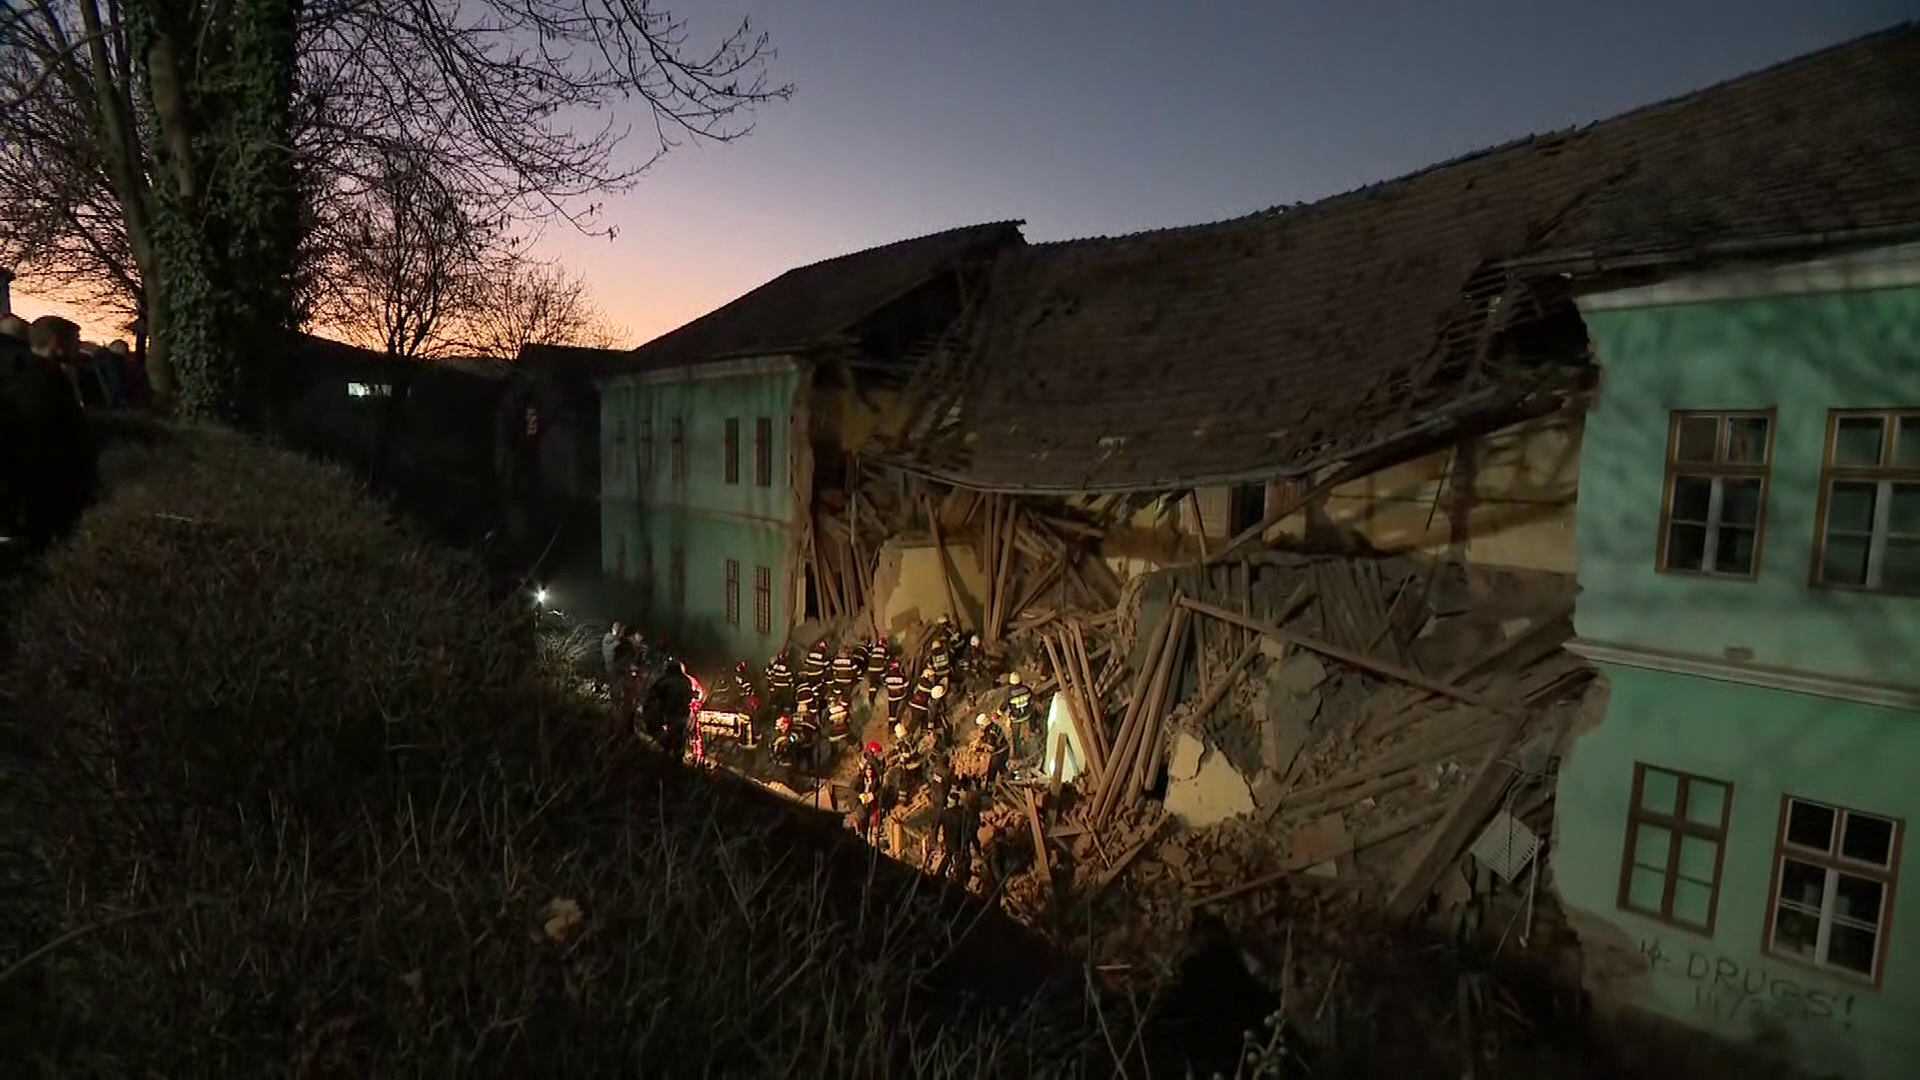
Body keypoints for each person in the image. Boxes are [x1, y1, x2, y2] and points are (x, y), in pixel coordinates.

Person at [0, 325, 97, 552]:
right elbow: (47, 434)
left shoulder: (21, 374)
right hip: (42, 490)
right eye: (75, 341)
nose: (78, 348)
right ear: (58, 343)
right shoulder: (42, 380)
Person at [976, 712, 1011, 786]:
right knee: (1002, 767)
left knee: (992, 770)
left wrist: (983, 745)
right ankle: (1009, 780)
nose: (980, 727)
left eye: (980, 725)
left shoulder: (990, 733)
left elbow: (992, 748)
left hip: (1000, 752)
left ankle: (990, 787)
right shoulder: (994, 726)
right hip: (1005, 749)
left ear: (983, 724)